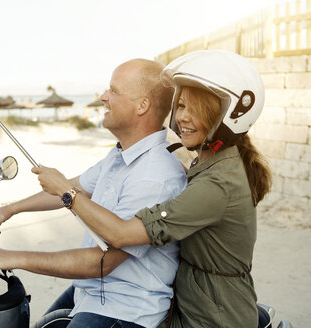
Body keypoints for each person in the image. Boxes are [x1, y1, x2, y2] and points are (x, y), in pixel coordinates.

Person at [33, 50, 272, 328]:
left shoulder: (218, 183)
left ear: (228, 115)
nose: (182, 117)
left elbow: (121, 235)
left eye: (196, 109)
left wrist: (66, 192)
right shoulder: (208, 160)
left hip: (211, 317)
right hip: (187, 300)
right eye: (180, 106)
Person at [0, 58, 188, 328]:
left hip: (125, 307)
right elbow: (73, 188)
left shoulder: (156, 176)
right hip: (92, 291)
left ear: (142, 105)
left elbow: (100, 262)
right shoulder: (120, 155)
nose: (103, 97)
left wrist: (12, 257)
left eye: (114, 91)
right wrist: (8, 210)